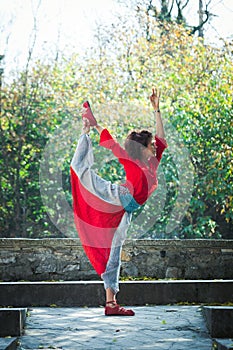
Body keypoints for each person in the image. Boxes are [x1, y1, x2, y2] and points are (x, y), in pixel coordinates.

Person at [70, 88, 167, 316]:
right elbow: (111, 141)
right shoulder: (131, 160)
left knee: (114, 252)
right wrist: (92, 124)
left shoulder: (152, 163)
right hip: (115, 196)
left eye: (153, 144)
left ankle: (111, 304)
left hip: (125, 211)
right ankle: (83, 134)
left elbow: (162, 138)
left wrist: (157, 109)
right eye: (150, 144)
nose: (154, 146)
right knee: (81, 172)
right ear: (141, 148)